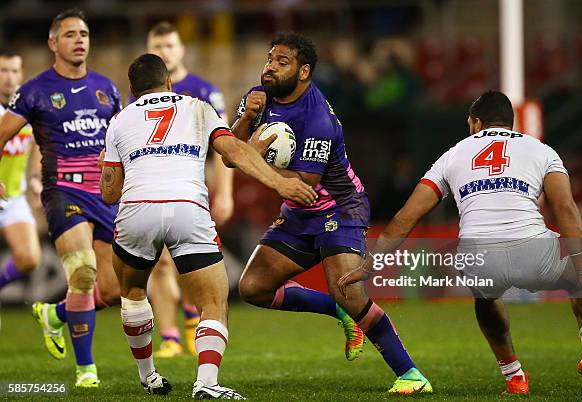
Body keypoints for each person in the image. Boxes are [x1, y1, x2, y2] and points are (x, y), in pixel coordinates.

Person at [338, 90, 582, 396]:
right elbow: (565, 208)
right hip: (534, 246)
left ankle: (514, 376)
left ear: (477, 123)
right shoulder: (541, 150)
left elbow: (405, 218)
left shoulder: (452, 154)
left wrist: (371, 265)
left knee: (485, 297)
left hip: (477, 255)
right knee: (580, 280)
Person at [101, 53, 316, 398]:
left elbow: (110, 193)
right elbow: (232, 153)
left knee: (133, 294)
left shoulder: (120, 121)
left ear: (132, 89)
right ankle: (207, 382)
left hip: (137, 210)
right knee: (213, 303)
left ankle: (149, 376)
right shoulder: (198, 108)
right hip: (188, 207)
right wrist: (279, 183)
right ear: (169, 82)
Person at [233, 32, 432, 395]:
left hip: (340, 208)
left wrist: (252, 156)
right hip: (298, 211)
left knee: (350, 294)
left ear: (304, 71)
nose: (270, 67)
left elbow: (304, 181)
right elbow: (232, 149)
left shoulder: (317, 118)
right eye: (269, 59)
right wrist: (246, 119)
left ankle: (411, 375)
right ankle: (339, 314)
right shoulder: (258, 98)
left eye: (282, 62)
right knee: (253, 288)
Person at [0, 9, 122, 387]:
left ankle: (55, 314)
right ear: (53, 43)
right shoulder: (35, 90)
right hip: (63, 190)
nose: (80, 39)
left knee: (114, 287)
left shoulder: (107, 88)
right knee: (82, 271)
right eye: (70, 34)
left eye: (84, 33)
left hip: (103, 193)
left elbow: (122, 141)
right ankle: (87, 369)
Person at [139, 21, 235, 358]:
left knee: (187, 260)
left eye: (169, 46)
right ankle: (170, 337)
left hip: (194, 185)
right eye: (158, 46)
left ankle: (194, 321)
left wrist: (225, 192)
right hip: (152, 188)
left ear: (181, 50)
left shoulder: (204, 90)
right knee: (161, 263)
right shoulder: (140, 94)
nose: (164, 52)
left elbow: (223, 147)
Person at [0, 50, 41, 292]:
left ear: (21, 74)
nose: (9, 77)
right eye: (3, 70)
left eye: (14, 71)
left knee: (29, 258)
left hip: (13, 197)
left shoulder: (26, 109)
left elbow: (36, 144)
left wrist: (35, 179)